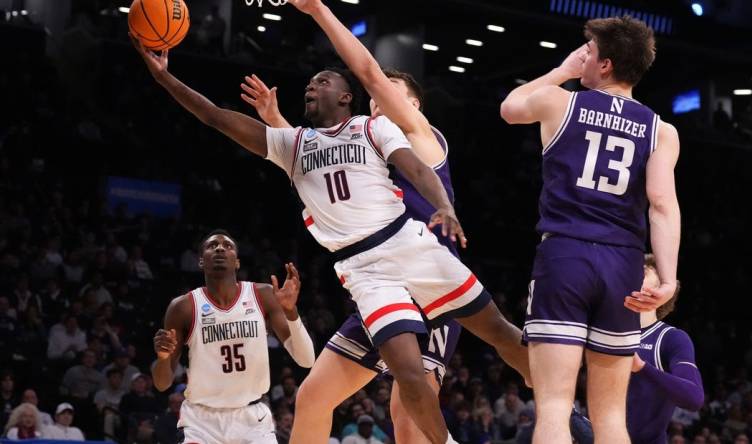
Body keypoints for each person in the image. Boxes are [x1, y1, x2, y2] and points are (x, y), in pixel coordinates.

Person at [133, 12, 528, 440]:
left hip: (413, 247)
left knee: (496, 337)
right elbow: (218, 117)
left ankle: (561, 400)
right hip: (366, 270)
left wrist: (444, 205)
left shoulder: (378, 127)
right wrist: (164, 80)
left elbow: (411, 162)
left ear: (346, 98)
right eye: (311, 82)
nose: (312, 85)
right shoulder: (297, 144)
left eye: (323, 81)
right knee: (388, 384)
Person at [241, 66, 463, 444]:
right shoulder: (362, 142)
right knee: (312, 397)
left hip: (430, 288)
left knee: (409, 419)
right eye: (374, 92)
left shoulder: (419, 136)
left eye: (389, 89)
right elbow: (309, 159)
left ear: (413, 105)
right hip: (380, 288)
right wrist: (275, 120)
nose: (377, 96)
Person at [500, 16, 681, 444]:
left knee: (555, 409)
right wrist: (669, 279)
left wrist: (562, 72)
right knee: (611, 418)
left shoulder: (560, 103)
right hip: (623, 264)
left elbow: (510, 108)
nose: (583, 56)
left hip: (566, 256)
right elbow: (662, 205)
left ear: (605, 64)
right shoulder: (662, 130)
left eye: (589, 51)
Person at [151, 230, 314, 443]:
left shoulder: (262, 295)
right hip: (201, 421)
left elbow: (307, 360)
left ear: (237, 262)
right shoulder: (183, 307)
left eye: (227, 246)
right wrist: (163, 359)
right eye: (212, 246)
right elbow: (162, 383)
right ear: (201, 261)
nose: (219, 248)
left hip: (252, 418)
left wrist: (291, 313)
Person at [627, 254, 703, 444]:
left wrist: (642, 367)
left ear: (663, 290)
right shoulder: (599, 330)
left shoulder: (671, 338)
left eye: (644, 271)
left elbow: (693, 398)